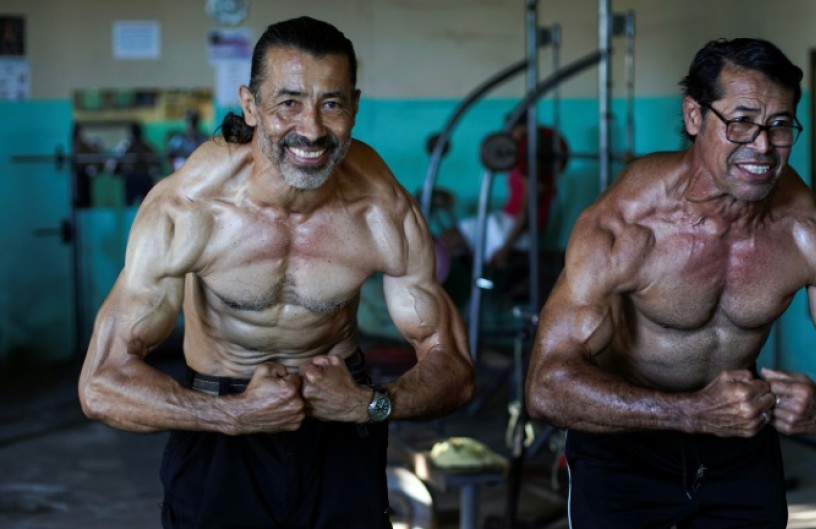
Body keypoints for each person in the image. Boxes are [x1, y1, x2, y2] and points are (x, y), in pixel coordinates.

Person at [79, 16, 474, 529]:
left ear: (354, 106)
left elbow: (455, 369)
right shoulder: (188, 210)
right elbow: (101, 384)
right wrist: (235, 415)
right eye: (289, 102)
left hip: (339, 422)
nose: (311, 129)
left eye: (331, 104)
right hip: (221, 425)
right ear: (250, 106)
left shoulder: (382, 211)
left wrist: (370, 405)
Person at [525, 38, 816, 529]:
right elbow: (546, 386)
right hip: (623, 442)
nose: (762, 146)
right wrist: (693, 413)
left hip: (738, 445)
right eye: (741, 121)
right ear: (695, 116)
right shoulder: (627, 224)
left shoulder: (806, 230)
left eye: (780, 125)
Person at [452, 112, 568, 269]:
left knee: (455, 237)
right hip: (506, 221)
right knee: (452, 237)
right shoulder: (520, 164)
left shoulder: (534, 170)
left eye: (515, 132)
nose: (512, 137)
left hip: (519, 231)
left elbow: (525, 214)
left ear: (524, 130)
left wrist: (505, 249)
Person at [111, 122, 163, 206]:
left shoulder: (144, 148)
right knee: (134, 205)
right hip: (134, 179)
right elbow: (114, 168)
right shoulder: (128, 148)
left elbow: (158, 165)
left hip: (142, 179)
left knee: (146, 204)